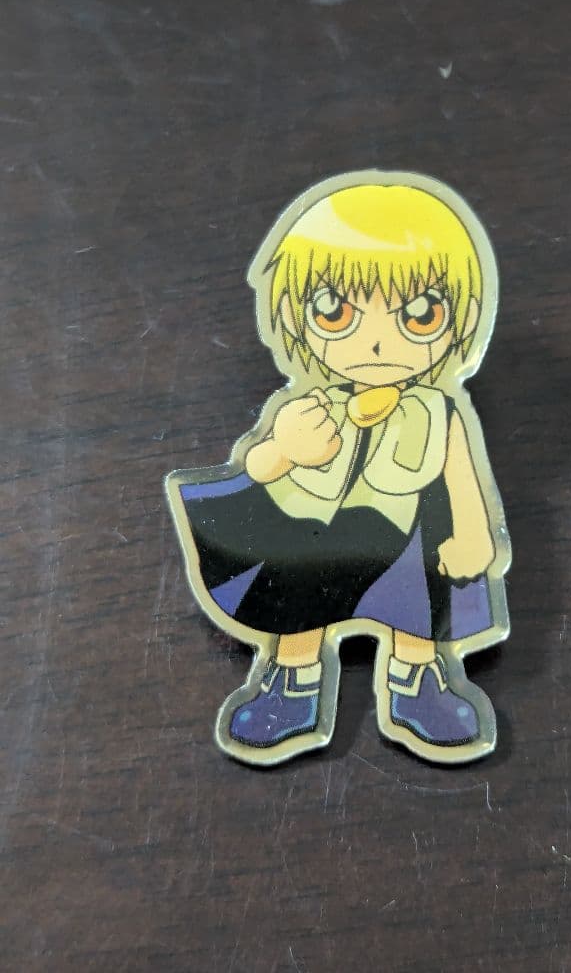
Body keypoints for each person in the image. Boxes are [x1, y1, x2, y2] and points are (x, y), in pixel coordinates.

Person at [167, 176, 510, 765]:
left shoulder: (440, 412)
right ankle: (292, 682)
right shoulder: (306, 406)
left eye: (419, 314)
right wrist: (284, 449)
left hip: (407, 534)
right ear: (292, 314)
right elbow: (259, 467)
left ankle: (417, 680)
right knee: (298, 586)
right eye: (336, 311)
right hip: (316, 530)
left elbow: (461, 478)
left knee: (423, 590)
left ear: (463, 318)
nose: (376, 344)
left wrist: (475, 536)